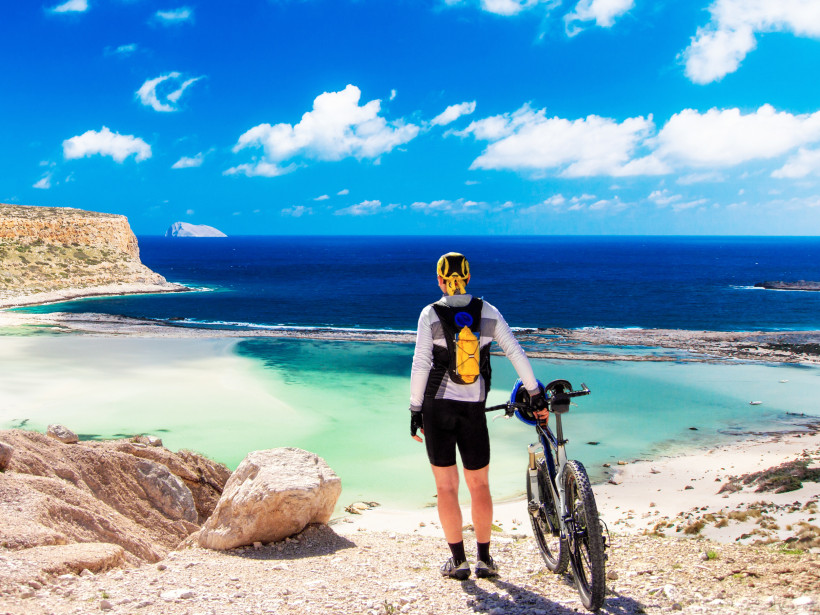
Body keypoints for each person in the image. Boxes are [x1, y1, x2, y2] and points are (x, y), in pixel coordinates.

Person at [409, 252, 547, 580]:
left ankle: (458, 561)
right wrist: (534, 392)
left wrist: (415, 409)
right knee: (480, 484)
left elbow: (421, 363)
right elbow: (515, 352)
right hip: (473, 409)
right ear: (468, 277)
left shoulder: (429, 314)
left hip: (437, 407)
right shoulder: (488, 311)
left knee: (446, 487)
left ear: (440, 280)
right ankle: (484, 559)